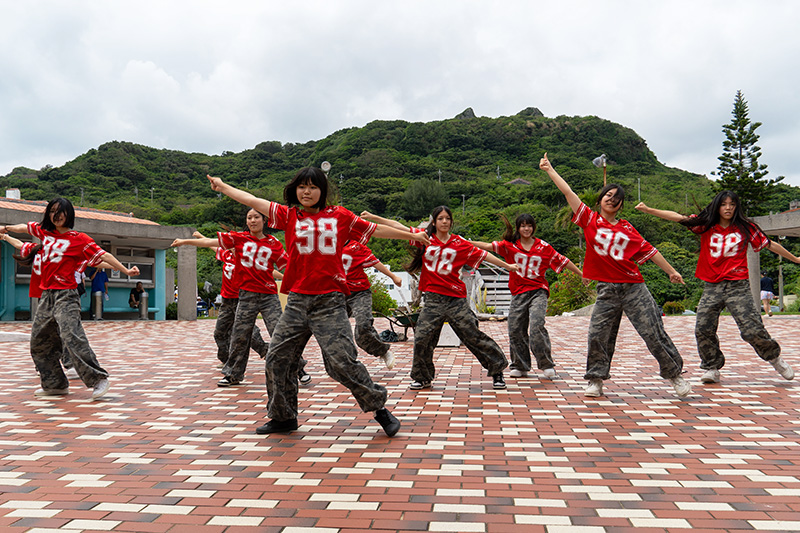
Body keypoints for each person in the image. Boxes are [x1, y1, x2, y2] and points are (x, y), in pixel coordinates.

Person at [207, 168, 429, 437]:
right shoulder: (289, 215)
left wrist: (413, 235)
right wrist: (223, 186)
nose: (307, 192)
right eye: (302, 187)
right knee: (277, 358)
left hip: (329, 302)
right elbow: (253, 200)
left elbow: (375, 229)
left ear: (322, 191)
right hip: (297, 302)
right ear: (295, 190)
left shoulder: (340, 216)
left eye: (313, 187)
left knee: (341, 362)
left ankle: (379, 409)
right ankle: (283, 417)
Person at [539, 153, 690, 398]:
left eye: (617, 198)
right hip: (606, 289)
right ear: (600, 199)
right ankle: (595, 380)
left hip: (634, 287)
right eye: (608, 195)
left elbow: (651, 251)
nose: (612, 200)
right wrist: (549, 170)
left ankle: (675, 376)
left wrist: (672, 271)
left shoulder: (627, 228)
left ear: (621, 205)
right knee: (598, 335)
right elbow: (568, 192)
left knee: (653, 332)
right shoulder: (589, 219)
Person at [635, 190, 800, 383]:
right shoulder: (706, 225)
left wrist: (796, 259)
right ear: (717, 206)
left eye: (732, 204)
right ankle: (711, 367)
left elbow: (770, 245)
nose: (728, 208)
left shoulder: (746, 228)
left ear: (737, 207)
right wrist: (648, 210)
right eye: (723, 204)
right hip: (712, 286)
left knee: (751, 329)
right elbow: (678, 217)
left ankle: (775, 358)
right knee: (703, 328)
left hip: (737, 286)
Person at [363, 206, 518, 391]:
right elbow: (398, 227)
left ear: (451, 222)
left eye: (447, 218)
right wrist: (374, 217)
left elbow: (485, 255)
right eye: (440, 218)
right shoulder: (424, 238)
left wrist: (508, 267)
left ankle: (497, 371)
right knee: (422, 338)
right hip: (433, 301)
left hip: (455, 300)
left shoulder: (459, 243)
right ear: (434, 222)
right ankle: (422, 377)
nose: (444, 221)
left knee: (473, 336)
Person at [1, 198, 140, 399]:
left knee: (71, 335)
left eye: (61, 212)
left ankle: (98, 379)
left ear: (69, 215)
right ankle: (54, 384)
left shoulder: (79, 239)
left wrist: (125, 270)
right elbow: (25, 228)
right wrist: (6, 229)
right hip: (47, 295)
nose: (57, 216)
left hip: (66, 294)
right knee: (38, 340)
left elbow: (103, 256)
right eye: (52, 211)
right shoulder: (44, 232)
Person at [172, 210, 291, 387]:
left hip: (268, 296)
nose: (252, 220)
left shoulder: (273, 243)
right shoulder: (238, 239)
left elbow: (286, 266)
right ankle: (233, 373)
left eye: (256, 217)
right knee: (238, 336)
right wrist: (185, 241)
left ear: (264, 220)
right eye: (249, 217)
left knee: (278, 332)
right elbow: (211, 243)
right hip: (244, 296)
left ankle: (297, 368)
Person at [471, 213, 583, 380]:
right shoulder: (510, 246)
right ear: (518, 228)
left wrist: (581, 274)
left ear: (533, 227)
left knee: (536, 326)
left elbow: (563, 261)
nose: (526, 229)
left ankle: (547, 365)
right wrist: (463, 242)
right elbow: (487, 246)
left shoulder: (543, 247)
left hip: (538, 291)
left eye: (529, 225)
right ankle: (520, 365)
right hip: (518, 293)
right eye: (523, 226)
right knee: (515, 329)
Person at [341, 240, 402, 369]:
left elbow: (375, 262)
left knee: (363, 326)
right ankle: (341, 363)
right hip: (337, 294)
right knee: (334, 330)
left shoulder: (355, 246)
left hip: (359, 293)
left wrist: (393, 277)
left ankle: (383, 351)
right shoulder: (324, 246)